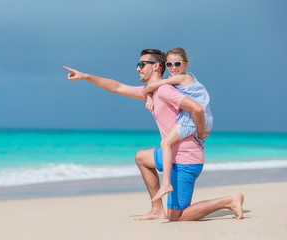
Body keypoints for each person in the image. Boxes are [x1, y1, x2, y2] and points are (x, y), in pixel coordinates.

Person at [63, 48, 244, 222]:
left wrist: (202, 132)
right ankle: (157, 210)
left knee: (177, 217)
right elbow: (117, 87)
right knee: (142, 157)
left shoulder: (165, 90)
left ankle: (228, 201)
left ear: (156, 66)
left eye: (141, 64)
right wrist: (86, 76)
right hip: (171, 155)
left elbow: (196, 108)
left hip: (185, 159)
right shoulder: (153, 90)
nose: (137, 68)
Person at [141, 47, 213, 203]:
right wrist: (150, 97)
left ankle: (166, 183)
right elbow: (154, 88)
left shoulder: (182, 78)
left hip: (193, 117)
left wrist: (149, 94)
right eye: (169, 65)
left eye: (177, 64)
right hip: (195, 116)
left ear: (186, 65)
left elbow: (155, 85)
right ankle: (164, 188)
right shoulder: (177, 81)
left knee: (166, 142)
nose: (173, 68)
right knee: (150, 152)